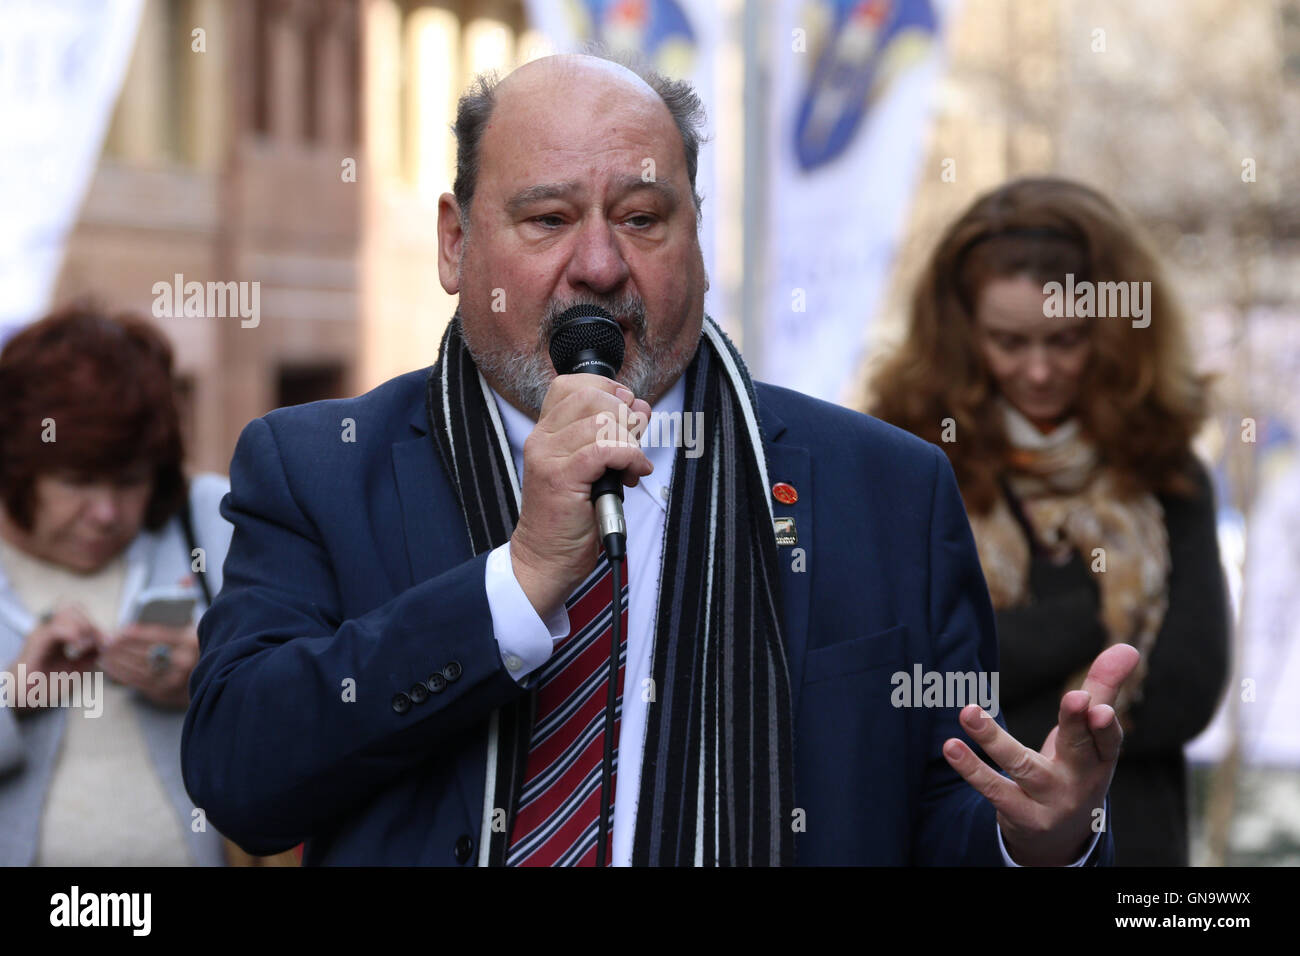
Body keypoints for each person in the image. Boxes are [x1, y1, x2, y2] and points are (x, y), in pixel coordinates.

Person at [182, 54, 1136, 866]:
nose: (599, 264)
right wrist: (514, 586)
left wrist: (1041, 841)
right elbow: (241, 780)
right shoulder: (318, 468)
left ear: (698, 239)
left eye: (642, 218)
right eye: (548, 219)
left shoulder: (885, 492)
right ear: (455, 241)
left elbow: (939, 817)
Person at [869, 177, 1230, 865]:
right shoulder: (905, 461)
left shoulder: (1166, 470)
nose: (1037, 371)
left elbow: (1187, 696)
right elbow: (897, 681)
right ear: (961, 336)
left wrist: (1000, 662)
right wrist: (1092, 618)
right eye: (1008, 341)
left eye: (1064, 340)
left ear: (1117, 331)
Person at [0, 304, 231, 865]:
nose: (106, 513)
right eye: (78, 482)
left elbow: (317, 701)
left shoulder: (212, 519)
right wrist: (12, 699)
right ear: (14, 468)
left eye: (129, 482)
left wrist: (215, 681)